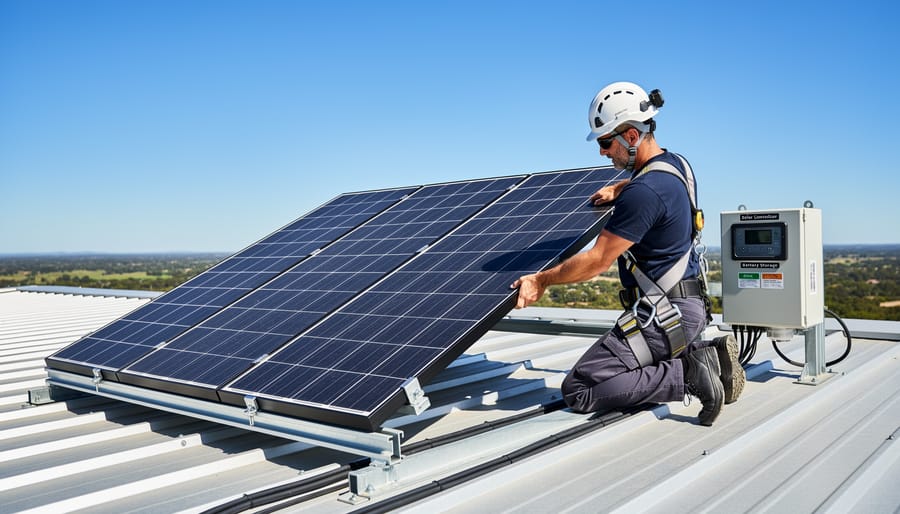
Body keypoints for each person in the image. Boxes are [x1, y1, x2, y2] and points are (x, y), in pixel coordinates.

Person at [511, 82, 744, 426]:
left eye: (607, 143)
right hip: (690, 305)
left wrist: (541, 280)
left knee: (580, 388)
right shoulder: (677, 165)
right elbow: (652, 177)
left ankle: (690, 373)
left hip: (664, 316)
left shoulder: (645, 193)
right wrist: (620, 187)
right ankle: (706, 356)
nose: (603, 153)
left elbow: (597, 260)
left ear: (632, 136)